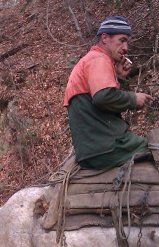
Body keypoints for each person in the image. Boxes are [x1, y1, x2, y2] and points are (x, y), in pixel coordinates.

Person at [63, 16, 154, 170]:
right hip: (107, 147)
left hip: (90, 150)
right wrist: (134, 99)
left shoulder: (88, 61)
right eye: (121, 40)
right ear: (105, 38)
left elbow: (103, 105)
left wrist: (120, 78)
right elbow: (103, 98)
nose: (126, 48)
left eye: (127, 42)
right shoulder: (98, 59)